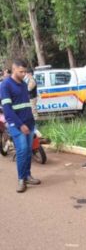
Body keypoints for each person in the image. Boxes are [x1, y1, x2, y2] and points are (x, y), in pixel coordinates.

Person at [0, 60, 42, 193]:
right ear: (13, 69)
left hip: (29, 122)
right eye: (21, 71)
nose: (24, 74)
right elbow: (7, 109)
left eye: (25, 71)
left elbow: (26, 104)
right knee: (22, 150)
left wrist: (31, 122)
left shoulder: (24, 84)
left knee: (28, 150)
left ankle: (28, 175)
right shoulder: (5, 85)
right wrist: (20, 125)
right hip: (16, 124)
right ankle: (21, 179)